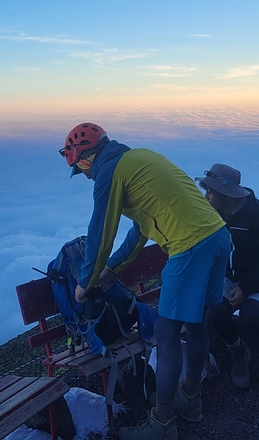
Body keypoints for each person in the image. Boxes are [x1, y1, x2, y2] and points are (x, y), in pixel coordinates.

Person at [59, 123, 231, 440]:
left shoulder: (108, 172)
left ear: (88, 156)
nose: (84, 174)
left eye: (80, 166)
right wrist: (110, 269)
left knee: (165, 335)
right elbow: (140, 230)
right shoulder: (138, 159)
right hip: (218, 236)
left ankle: (162, 424)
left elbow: (101, 230)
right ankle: (190, 399)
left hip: (190, 246)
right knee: (196, 325)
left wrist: (86, 280)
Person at [196, 163, 259, 400]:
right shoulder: (214, 214)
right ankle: (238, 350)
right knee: (215, 313)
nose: (207, 196)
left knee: (251, 316)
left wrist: (246, 288)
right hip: (227, 277)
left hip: (257, 277)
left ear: (226, 195)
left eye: (211, 192)